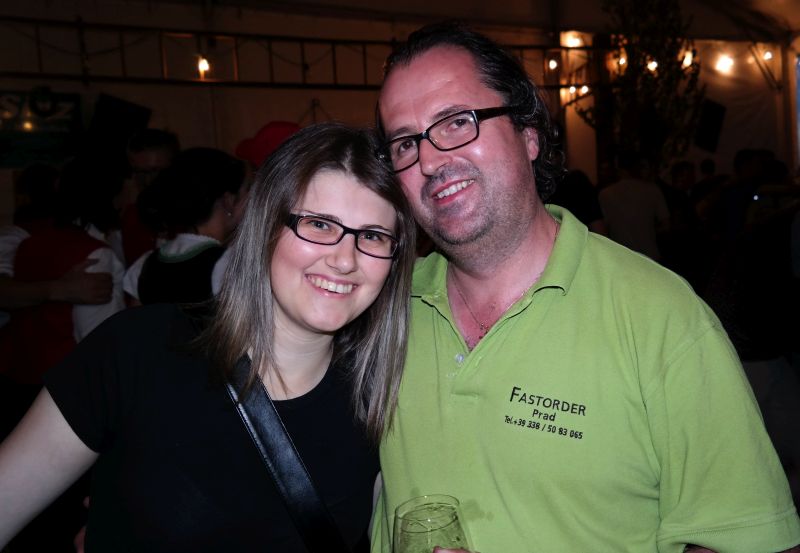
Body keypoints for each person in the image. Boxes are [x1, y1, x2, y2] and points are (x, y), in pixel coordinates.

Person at [371, 21, 800, 553]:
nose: (430, 159)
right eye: (405, 143)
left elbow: (750, 538)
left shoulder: (660, 316)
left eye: (457, 122)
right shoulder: (383, 311)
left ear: (529, 134)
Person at [0, 122, 417, 552]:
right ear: (266, 225)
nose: (345, 259)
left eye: (373, 235)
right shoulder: (136, 352)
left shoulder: (380, 402)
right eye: (319, 224)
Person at [123, 147, 248, 305]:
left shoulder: (144, 265)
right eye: (247, 190)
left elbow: (138, 319)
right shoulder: (229, 265)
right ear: (229, 200)